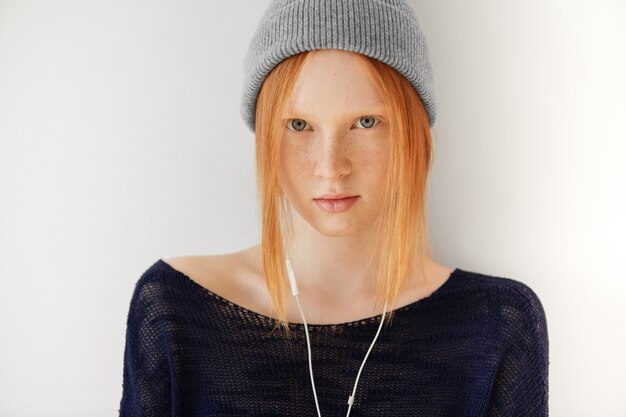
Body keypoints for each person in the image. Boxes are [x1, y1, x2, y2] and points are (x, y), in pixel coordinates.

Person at [118, 1, 549, 416]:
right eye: (299, 125)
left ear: (414, 136)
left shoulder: (495, 328)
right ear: (266, 136)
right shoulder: (176, 313)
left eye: (365, 122)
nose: (331, 167)